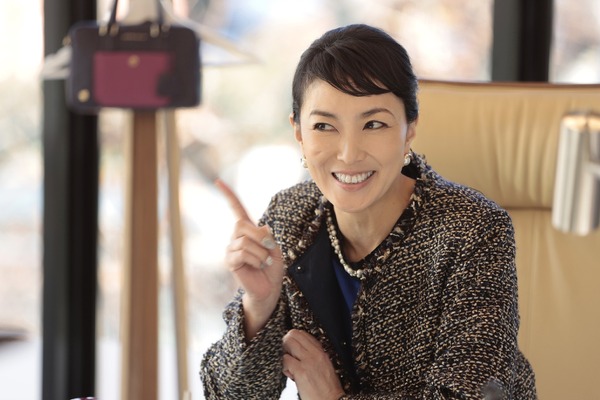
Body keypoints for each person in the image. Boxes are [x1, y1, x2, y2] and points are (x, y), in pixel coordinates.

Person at [200, 24, 537, 399]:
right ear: (299, 133)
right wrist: (258, 307)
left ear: (409, 129)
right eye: (324, 126)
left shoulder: (472, 228)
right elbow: (228, 395)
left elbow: (473, 394)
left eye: (373, 124)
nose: (348, 154)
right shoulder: (290, 217)